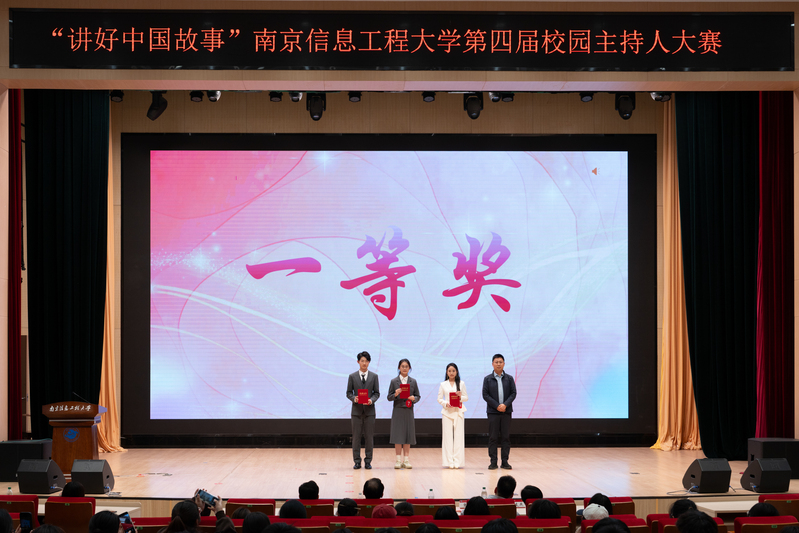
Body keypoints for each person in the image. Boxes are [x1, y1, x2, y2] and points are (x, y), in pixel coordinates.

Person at [346, 351, 380, 469]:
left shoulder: (374, 376)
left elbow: (377, 393)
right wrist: (354, 398)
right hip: (356, 412)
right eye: (362, 361)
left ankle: (368, 461)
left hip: (369, 412)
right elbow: (348, 393)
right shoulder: (352, 376)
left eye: (366, 361)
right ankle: (357, 461)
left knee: (369, 438)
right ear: (358, 362)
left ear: (369, 362)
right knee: (356, 438)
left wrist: (371, 400)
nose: (364, 363)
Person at [482, 354, 516, 470]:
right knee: (493, 437)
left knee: (505, 437)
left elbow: (513, 393)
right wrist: (497, 406)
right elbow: (485, 395)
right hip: (493, 412)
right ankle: (493, 462)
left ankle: (505, 461)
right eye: (496, 362)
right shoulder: (487, 379)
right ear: (492, 364)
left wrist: (505, 405)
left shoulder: (509, 378)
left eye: (500, 362)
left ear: (504, 364)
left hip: (506, 411)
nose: (498, 364)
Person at [387, 358, 420, 469]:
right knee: (398, 435)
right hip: (398, 410)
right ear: (399, 368)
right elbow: (389, 397)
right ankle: (398, 460)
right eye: (402, 366)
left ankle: (406, 460)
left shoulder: (413, 381)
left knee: (407, 435)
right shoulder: (394, 381)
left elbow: (418, 396)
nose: (404, 368)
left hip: (408, 410)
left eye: (406, 366)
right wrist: (395, 394)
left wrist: (414, 398)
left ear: (409, 368)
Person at [438, 362, 468, 469]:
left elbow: (466, 397)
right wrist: (446, 403)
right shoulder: (443, 384)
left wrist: (460, 397)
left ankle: (458, 462)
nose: (451, 373)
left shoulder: (461, 383)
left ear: (457, 372)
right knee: (447, 437)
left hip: (458, 412)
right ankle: (449, 461)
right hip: (447, 413)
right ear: (447, 372)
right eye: (449, 371)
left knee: (459, 437)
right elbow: (439, 398)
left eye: (453, 371)